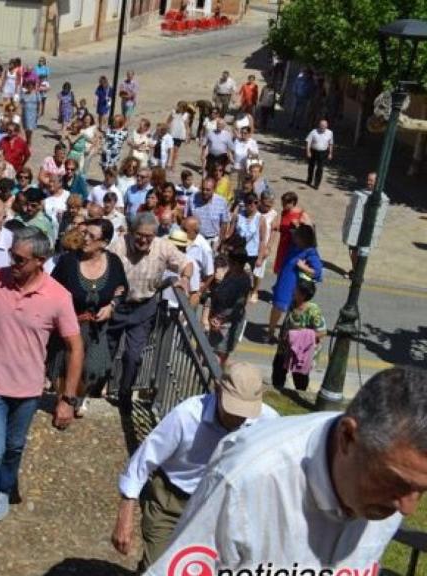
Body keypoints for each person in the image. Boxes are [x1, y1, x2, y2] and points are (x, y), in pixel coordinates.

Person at [148, 366, 427, 574]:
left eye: (423, 490)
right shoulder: (246, 478)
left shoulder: (391, 492)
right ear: (347, 438)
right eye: (395, 482)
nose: (407, 509)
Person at [0, 227, 82, 552]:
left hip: (28, 390)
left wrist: (67, 398)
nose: (13, 263)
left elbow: (74, 347)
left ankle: (3, 490)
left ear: (41, 261)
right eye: (12, 255)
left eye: (20, 259)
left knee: (13, 448)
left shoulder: (58, 296)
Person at [111, 363, 278, 571]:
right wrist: (125, 514)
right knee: (161, 567)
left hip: (220, 507)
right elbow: (144, 460)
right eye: (233, 410)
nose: (238, 419)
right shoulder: (187, 415)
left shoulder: (268, 421)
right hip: (172, 502)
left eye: (245, 412)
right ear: (217, 391)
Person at [108, 213, 193, 411]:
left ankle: (125, 392)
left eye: (149, 236)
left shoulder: (162, 246)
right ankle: (96, 388)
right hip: (117, 305)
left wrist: (185, 278)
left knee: (134, 355)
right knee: (107, 351)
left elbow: (186, 263)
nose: (144, 240)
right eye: (140, 235)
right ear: (131, 232)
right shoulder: (118, 247)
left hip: (143, 307)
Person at [48, 220, 128, 405]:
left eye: (92, 236)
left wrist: (112, 306)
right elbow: (52, 287)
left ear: (104, 242)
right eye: (85, 233)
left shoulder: (114, 262)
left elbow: (122, 288)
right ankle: (64, 400)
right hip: (69, 325)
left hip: (96, 330)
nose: (85, 239)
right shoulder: (68, 261)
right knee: (63, 366)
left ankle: (79, 396)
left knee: (94, 368)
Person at [269, 224, 322, 342]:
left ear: (303, 238)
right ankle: (271, 332)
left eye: (297, 235)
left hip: (292, 286)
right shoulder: (295, 245)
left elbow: (317, 272)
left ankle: (285, 335)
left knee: (287, 310)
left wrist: (303, 267)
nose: (294, 236)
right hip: (284, 281)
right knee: (277, 307)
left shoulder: (310, 252)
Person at [271, 277, 326, 392]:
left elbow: (322, 332)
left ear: (303, 295)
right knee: (278, 370)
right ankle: (277, 389)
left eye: (296, 289)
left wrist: (298, 335)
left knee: (299, 377)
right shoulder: (293, 303)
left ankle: (300, 394)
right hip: (284, 347)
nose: (293, 291)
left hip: (301, 352)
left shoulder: (313, 311)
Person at [206, 247, 252, 367]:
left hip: (228, 322)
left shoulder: (243, 281)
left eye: (230, 262)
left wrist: (221, 320)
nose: (228, 264)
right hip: (218, 316)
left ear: (236, 263)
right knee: (214, 350)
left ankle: (217, 378)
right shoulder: (230, 273)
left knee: (221, 354)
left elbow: (238, 306)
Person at [185, 177, 230, 249]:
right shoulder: (192, 199)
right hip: (196, 239)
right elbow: (187, 218)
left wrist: (220, 241)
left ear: (214, 189)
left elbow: (224, 223)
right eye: (203, 189)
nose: (204, 192)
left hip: (213, 240)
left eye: (208, 190)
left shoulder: (221, 202)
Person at [305, 118, 333, 189]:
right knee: (311, 166)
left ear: (327, 126)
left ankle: (316, 184)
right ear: (319, 125)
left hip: (323, 152)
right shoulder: (314, 131)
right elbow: (308, 142)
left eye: (324, 125)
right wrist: (308, 151)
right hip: (313, 150)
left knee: (320, 168)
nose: (323, 127)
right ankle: (309, 179)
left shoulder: (330, 133)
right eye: (321, 125)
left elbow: (330, 143)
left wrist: (330, 153)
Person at [20, 80, 41, 147]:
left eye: (31, 86)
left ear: (33, 87)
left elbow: (39, 103)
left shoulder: (36, 94)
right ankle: (27, 139)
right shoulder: (24, 94)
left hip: (33, 113)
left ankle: (29, 140)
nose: (29, 88)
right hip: (25, 113)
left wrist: (38, 112)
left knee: (30, 128)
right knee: (26, 128)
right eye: (28, 86)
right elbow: (21, 103)